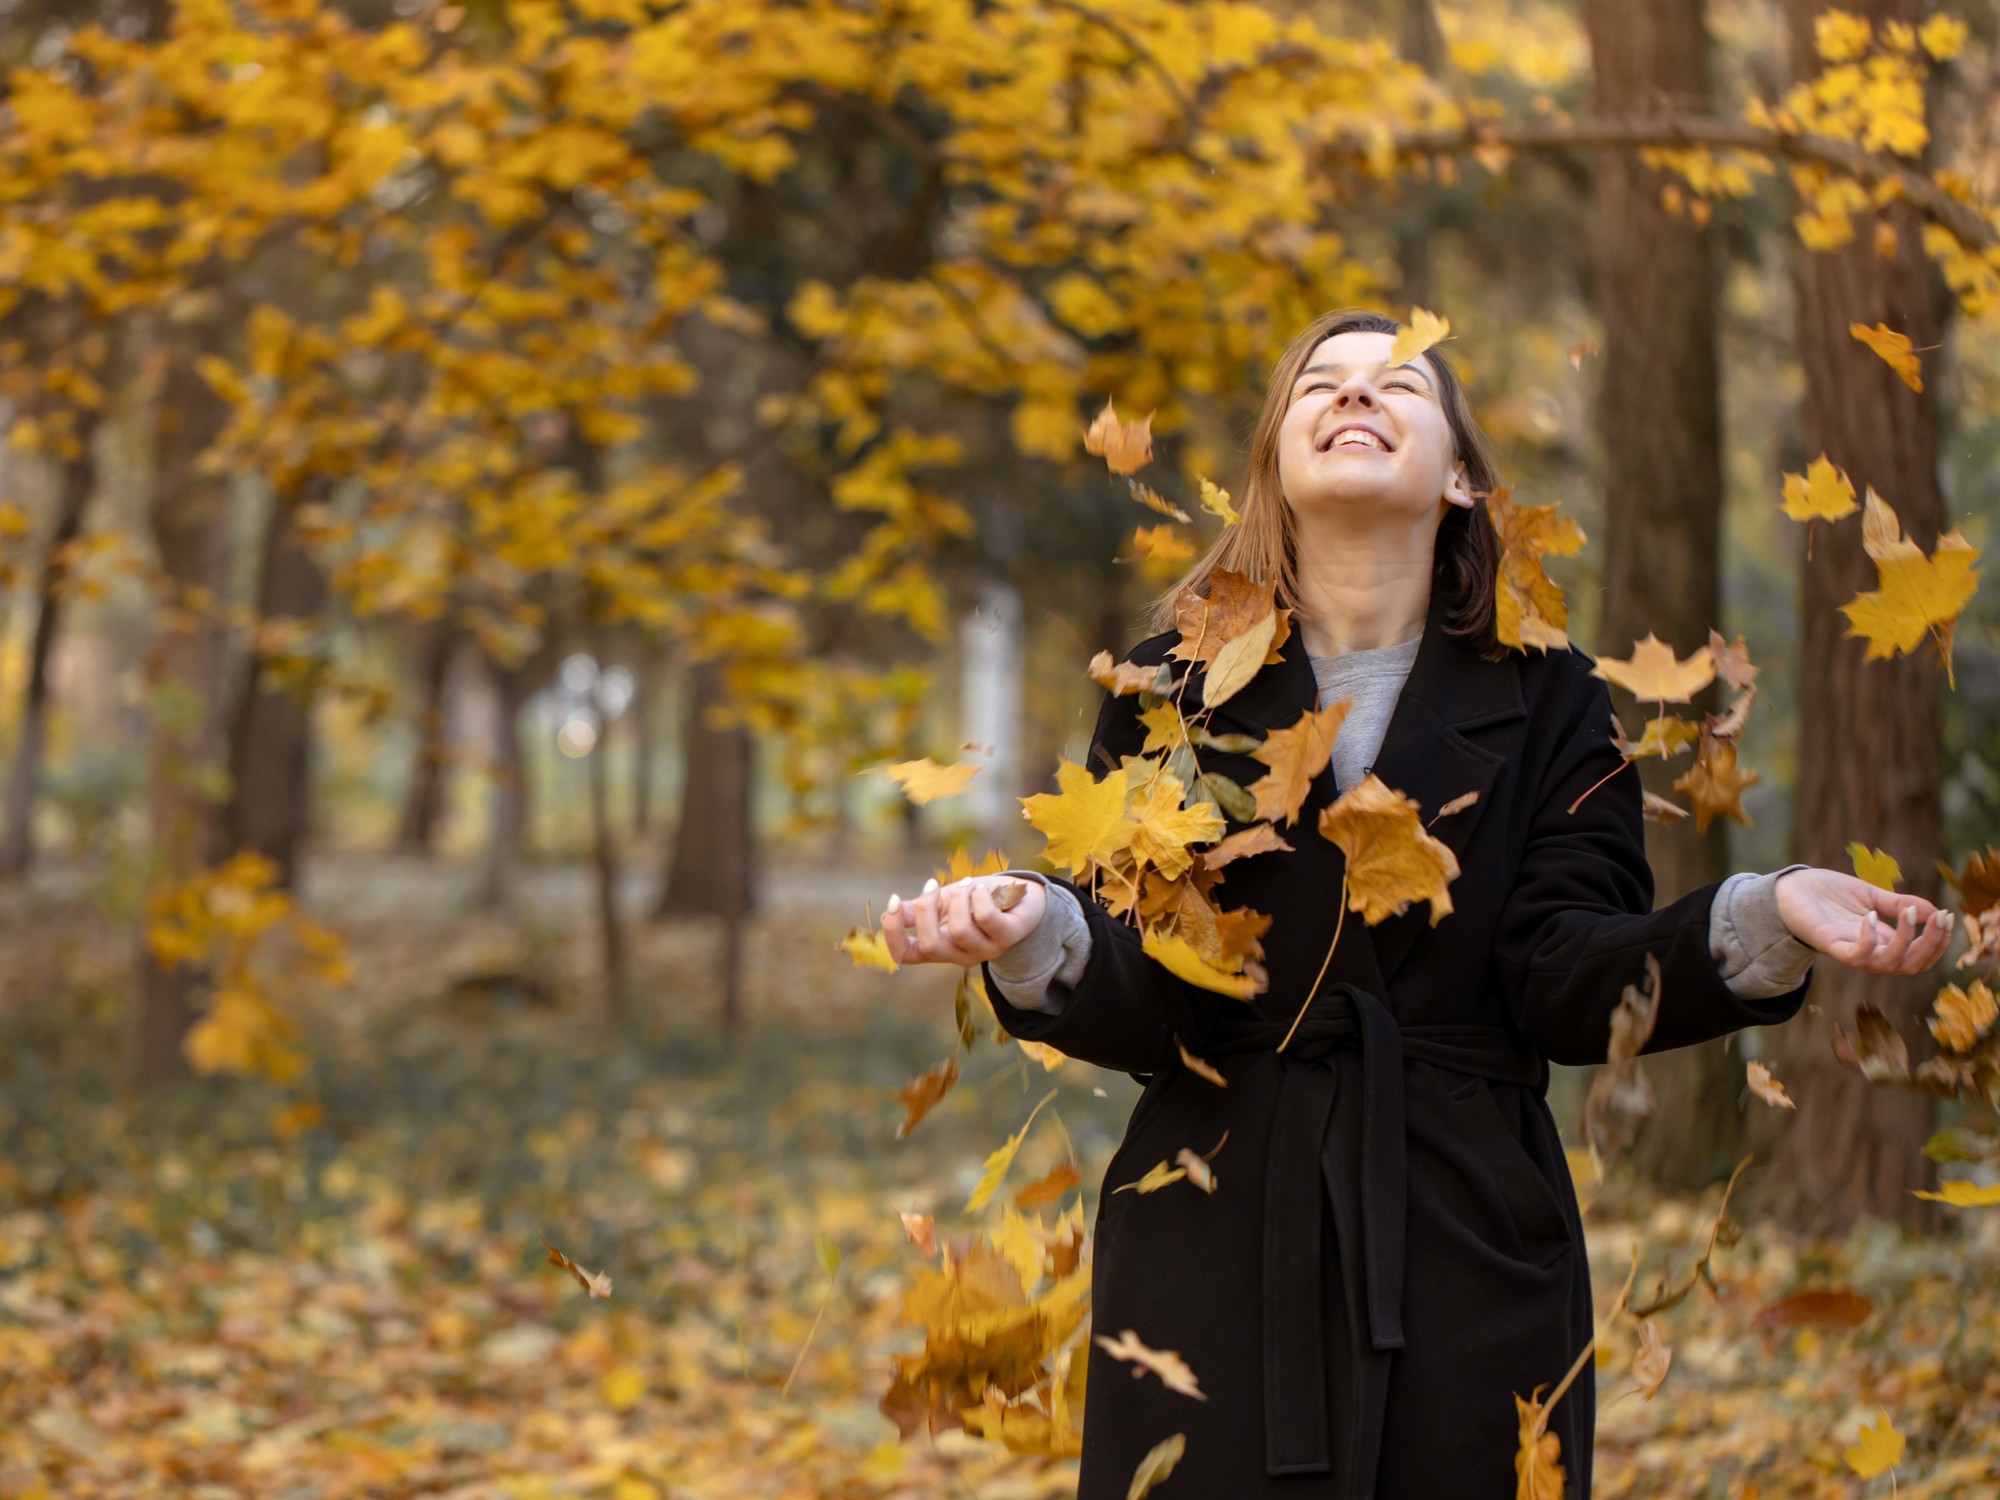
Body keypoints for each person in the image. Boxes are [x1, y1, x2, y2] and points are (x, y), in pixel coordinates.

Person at [878, 308, 1954, 1498]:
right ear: (1272, 464)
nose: (1353, 395)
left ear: (1458, 478)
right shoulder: (1165, 694)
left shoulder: (1553, 696)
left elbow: (1567, 977)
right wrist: (1037, 933)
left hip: (1467, 1240)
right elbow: (1143, 998)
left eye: (1395, 383)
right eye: (1319, 384)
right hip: (1211, 1235)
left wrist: (1760, 914)